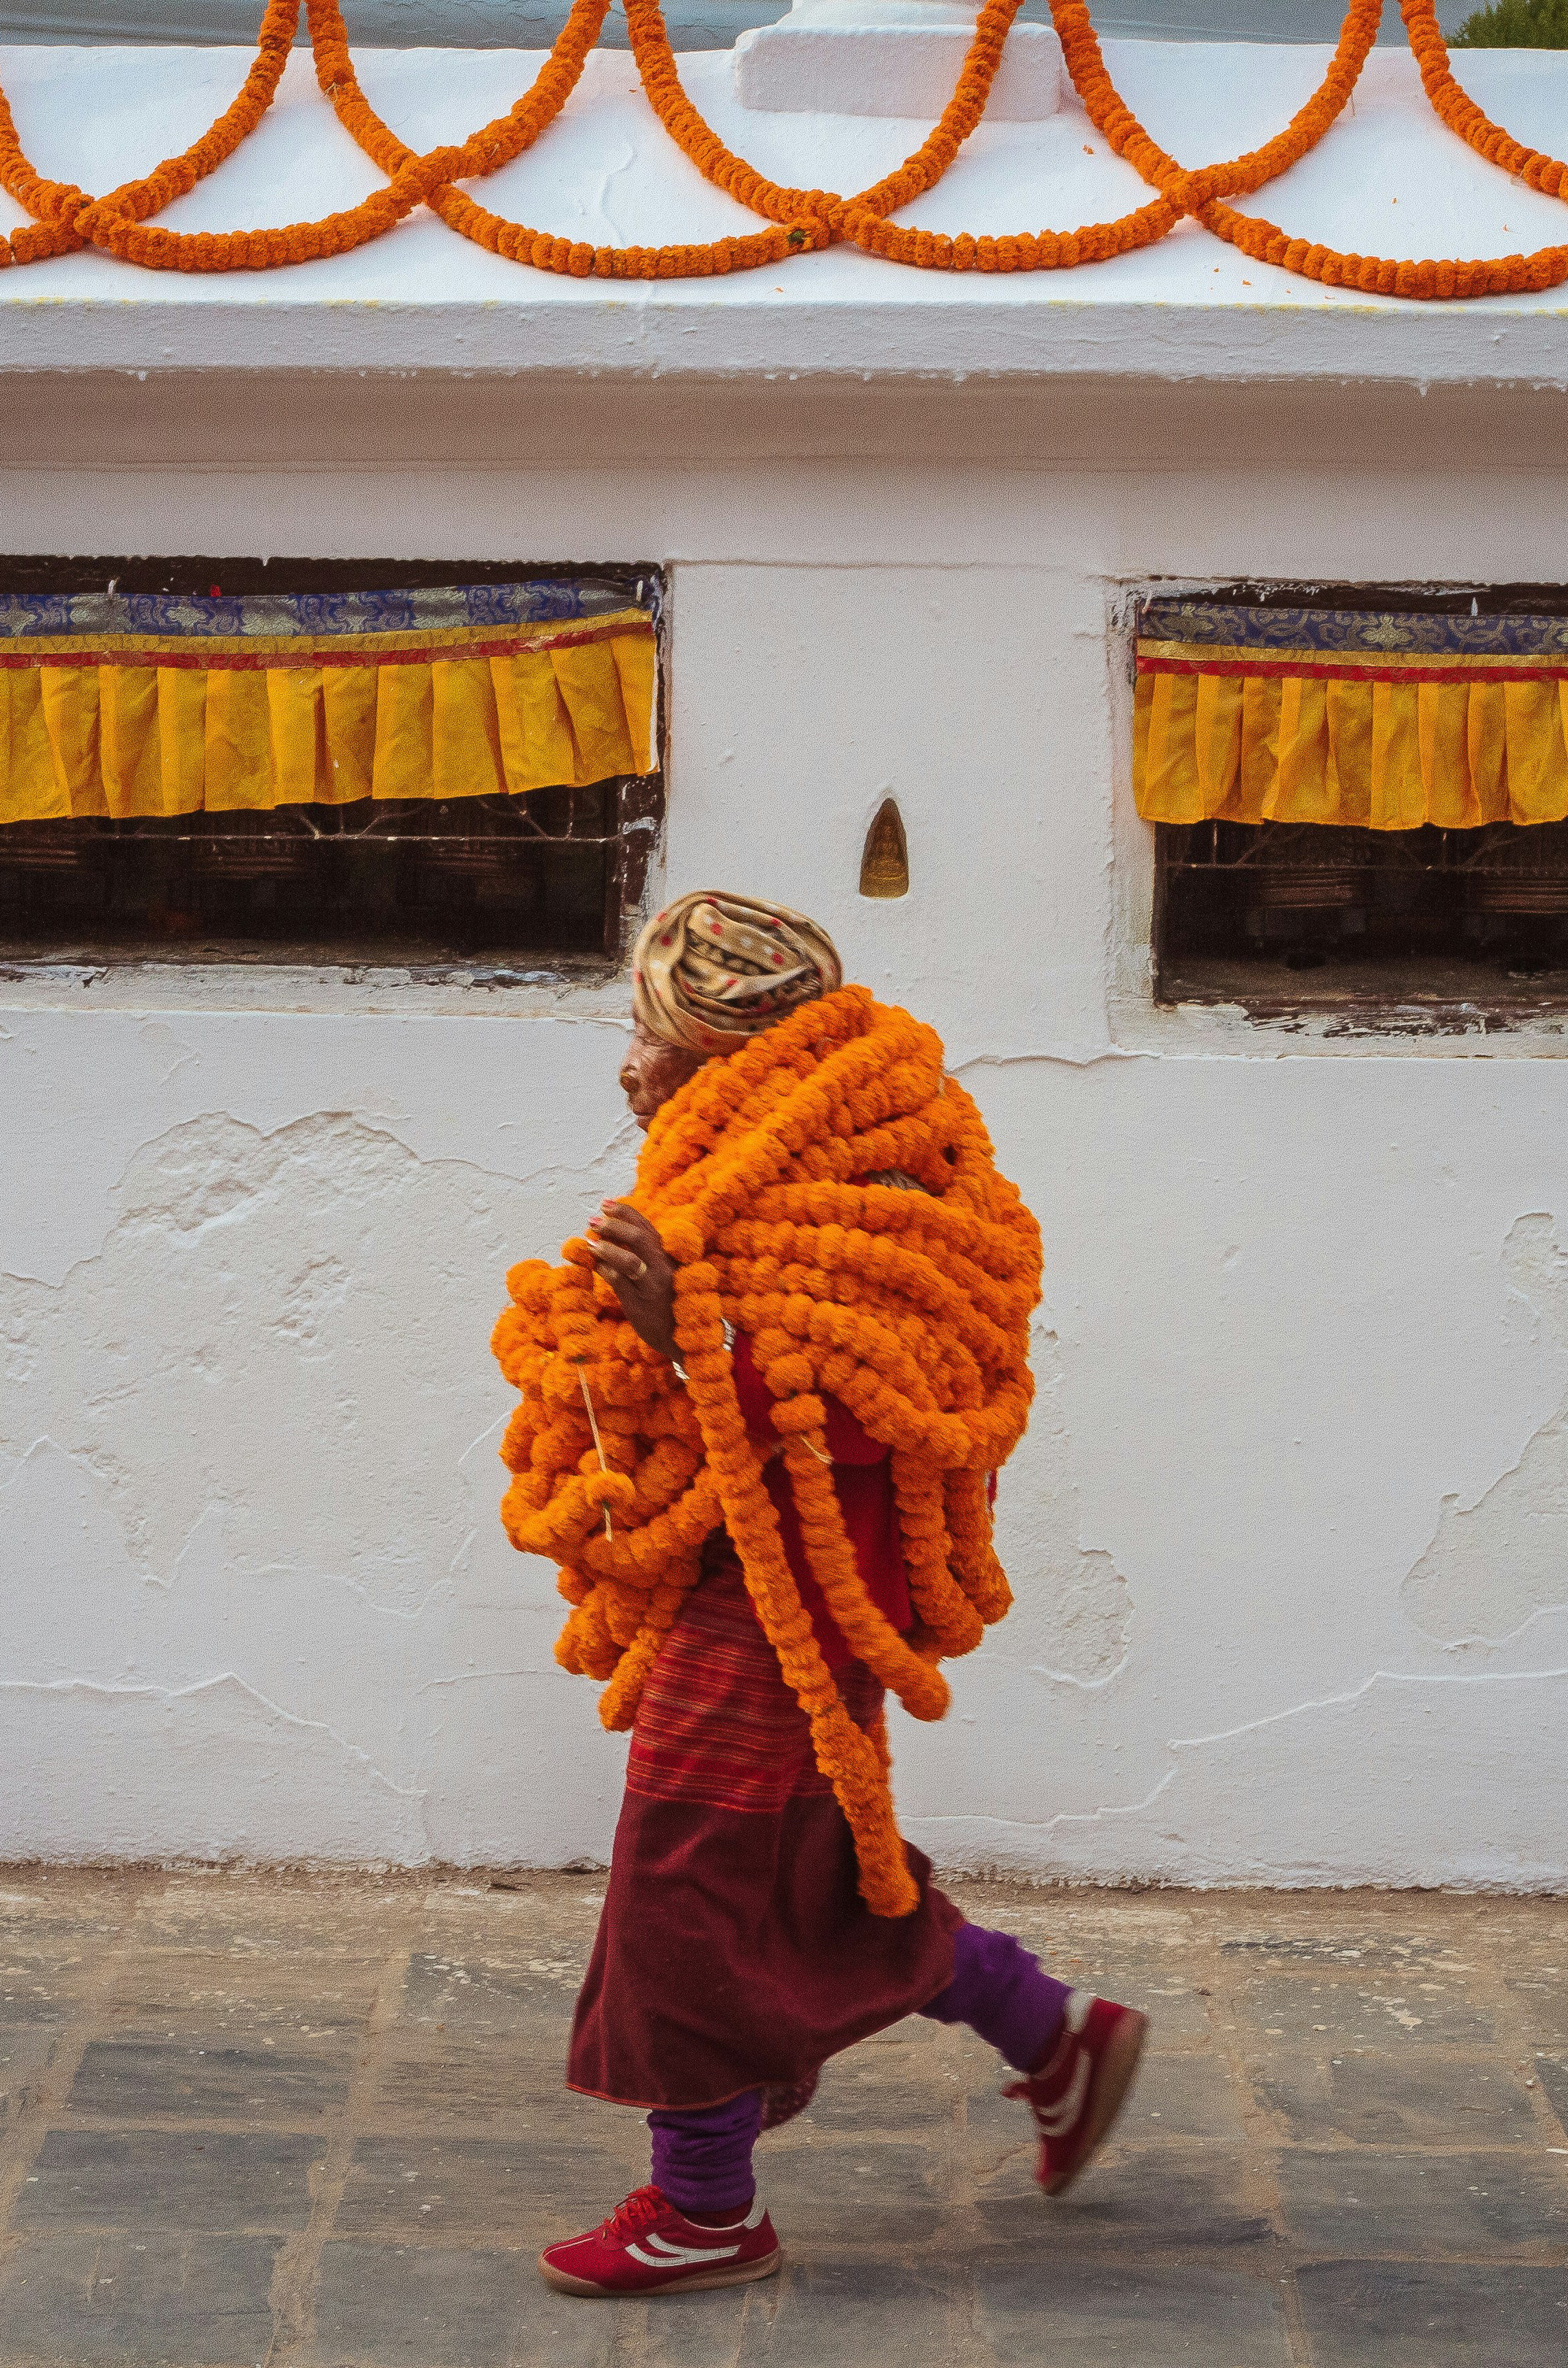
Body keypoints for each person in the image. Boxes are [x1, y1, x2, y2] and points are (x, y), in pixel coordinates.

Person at [524, 890, 1146, 2301]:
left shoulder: (883, 1196)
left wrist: (696, 1335)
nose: (628, 1067)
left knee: (685, 1896)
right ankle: (1055, 2033)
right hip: (732, 1582)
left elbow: (894, 1408)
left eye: (650, 1035)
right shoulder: (724, 1190)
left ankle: (706, 2213)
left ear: (731, 1060)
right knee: (798, 1888)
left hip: (794, 1605)